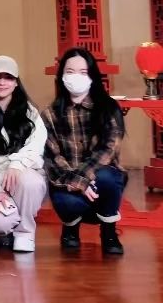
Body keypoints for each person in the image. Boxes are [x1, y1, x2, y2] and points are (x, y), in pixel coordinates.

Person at [43, 48, 126, 255]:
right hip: (68, 182)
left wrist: (84, 178)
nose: (76, 77)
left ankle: (109, 232)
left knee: (107, 177)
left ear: (92, 76)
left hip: (100, 180)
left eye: (83, 72)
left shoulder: (108, 108)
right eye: (70, 72)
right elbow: (52, 159)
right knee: (64, 200)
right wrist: (78, 182)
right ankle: (71, 229)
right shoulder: (50, 115)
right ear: (62, 76)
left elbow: (108, 150)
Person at [0, 56, 49, 253]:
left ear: (16, 82)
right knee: (1, 222)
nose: (2, 82)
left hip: (24, 172)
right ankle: (5, 230)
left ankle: (25, 233)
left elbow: (36, 146)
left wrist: (16, 165)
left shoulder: (30, 113)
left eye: (8, 77)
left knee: (30, 182)